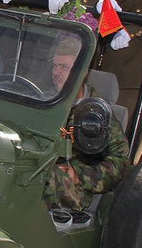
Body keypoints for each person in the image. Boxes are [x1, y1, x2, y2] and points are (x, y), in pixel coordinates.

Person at [44, 39, 130, 212]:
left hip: (67, 188)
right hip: (35, 168)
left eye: (64, 67)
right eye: (55, 66)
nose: (56, 72)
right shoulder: (44, 100)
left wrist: (78, 174)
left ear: (82, 72)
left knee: (45, 177)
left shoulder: (97, 115)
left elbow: (119, 164)